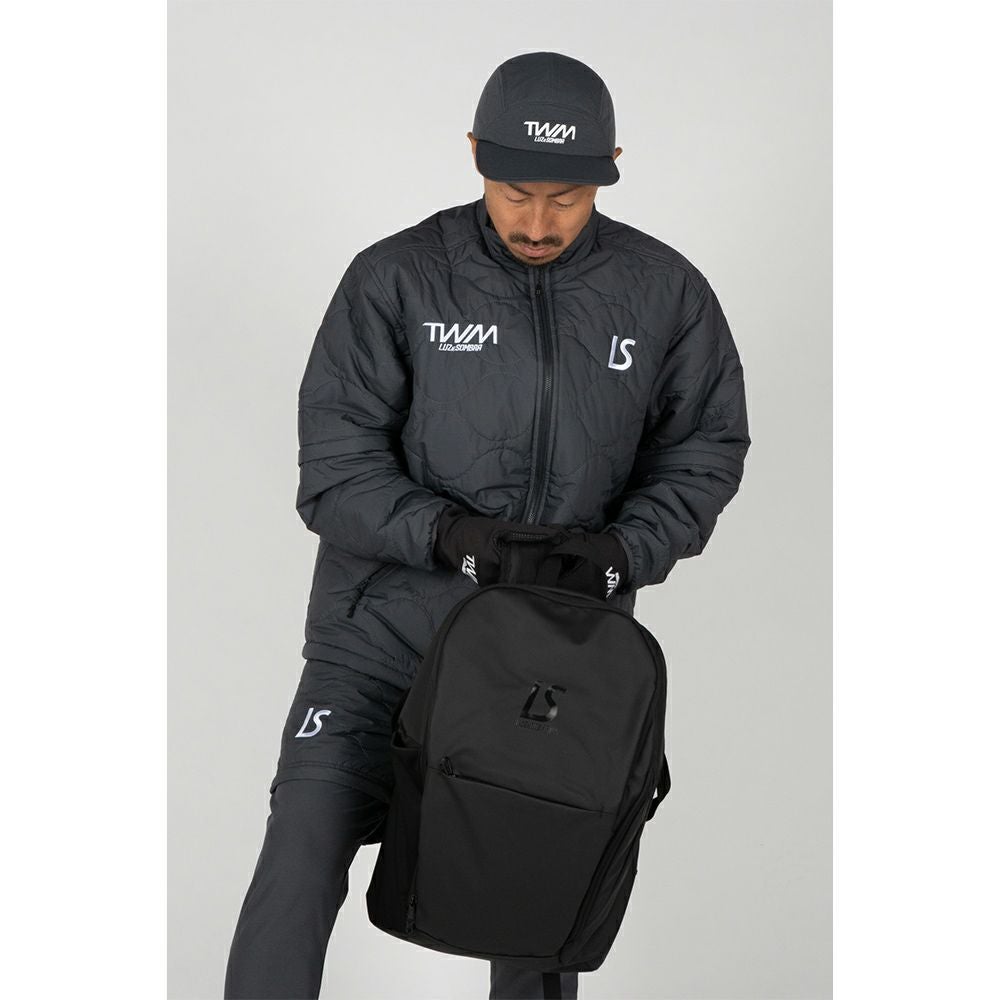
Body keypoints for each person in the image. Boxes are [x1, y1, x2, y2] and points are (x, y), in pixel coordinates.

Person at [224, 50, 751, 1000]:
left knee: (539, 907)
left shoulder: (665, 294)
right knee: (300, 855)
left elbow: (706, 448)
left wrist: (623, 553)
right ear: (475, 155)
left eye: (566, 198)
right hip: (378, 644)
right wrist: (448, 536)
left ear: (610, 170)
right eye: (515, 193)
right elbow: (333, 467)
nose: (537, 223)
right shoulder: (397, 279)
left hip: (550, 658)